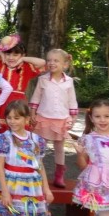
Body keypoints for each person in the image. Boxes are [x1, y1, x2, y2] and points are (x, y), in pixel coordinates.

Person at [29, 49, 78, 187]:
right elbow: (36, 97)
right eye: (49, 60)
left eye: (56, 60)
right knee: (39, 146)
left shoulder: (69, 81)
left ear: (65, 64)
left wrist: (73, 117)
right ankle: (35, 172)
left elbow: (72, 100)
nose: (51, 63)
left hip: (61, 118)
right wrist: (32, 113)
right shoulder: (42, 79)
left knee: (59, 147)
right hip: (43, 117)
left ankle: (59, 175)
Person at [0, 34, 45, 133]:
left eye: (15, 55)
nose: (11, 58)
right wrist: (0, 53)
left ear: (22, 55)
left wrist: (23, 59)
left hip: (18, 101)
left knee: (17, 127)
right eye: (8, 54)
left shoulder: (26, 67)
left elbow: (42, 62)